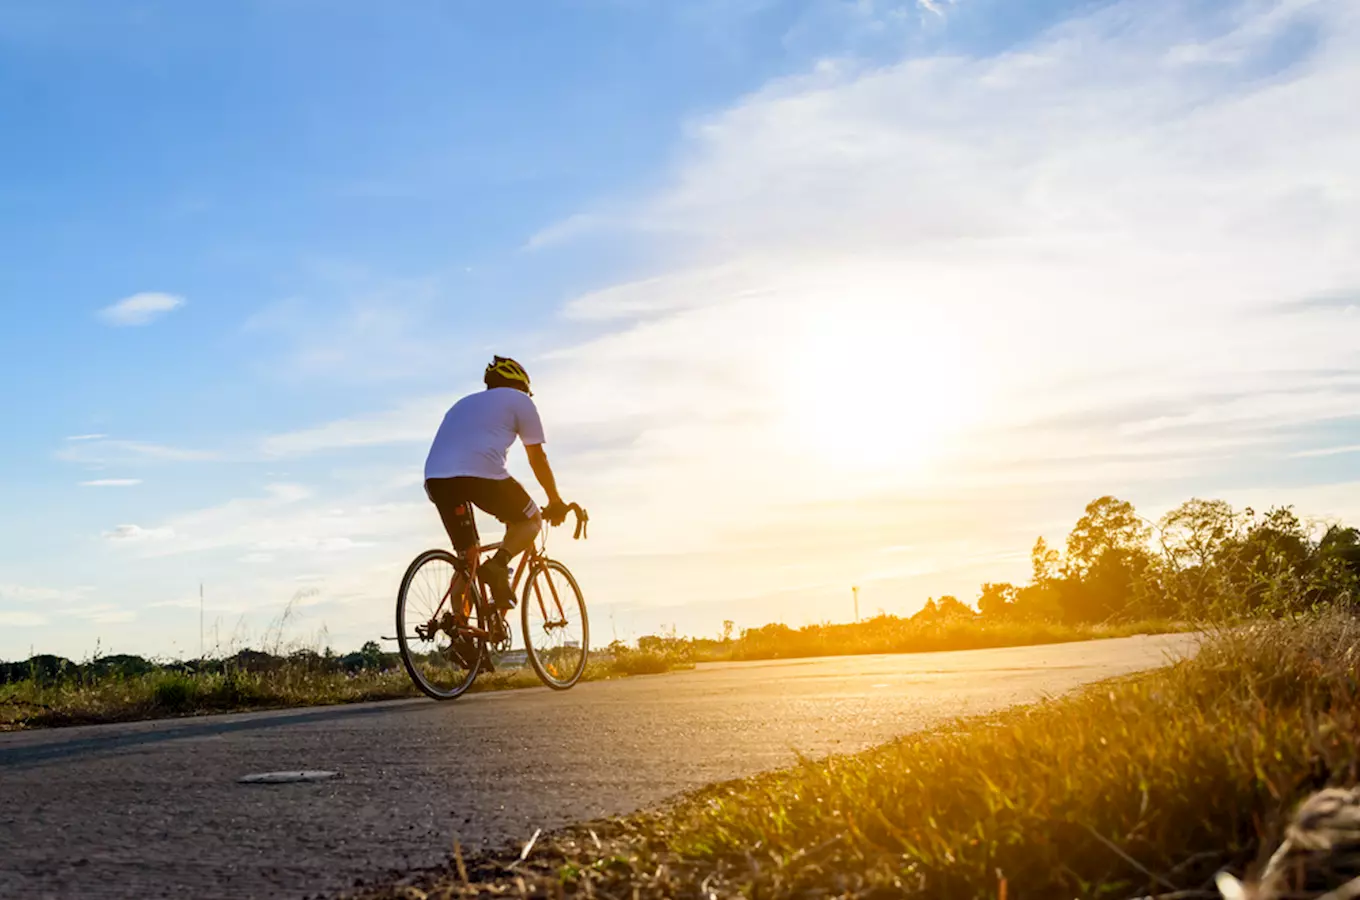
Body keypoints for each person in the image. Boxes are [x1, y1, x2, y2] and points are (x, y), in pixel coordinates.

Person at [423, 356, 567, 612]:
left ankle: (462, 637)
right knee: (531, 519)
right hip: (481, 475)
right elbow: (537, 458)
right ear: (521, 385)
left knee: (467, 558)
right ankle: (499, 565)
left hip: (436, 478)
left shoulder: (462, 404)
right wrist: (554, 500)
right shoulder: (520, 401)